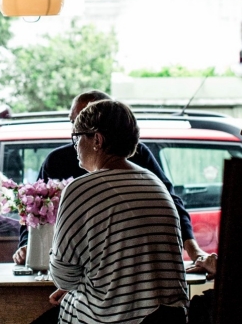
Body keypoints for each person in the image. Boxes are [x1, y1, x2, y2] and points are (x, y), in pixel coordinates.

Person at [14, 90, 207, 265]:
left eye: (80, 124)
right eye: (72, 122)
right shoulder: (57, 161)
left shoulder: (139, 158)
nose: (73, 132)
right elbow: (35, 210)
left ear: (100, 133)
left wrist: (194, 251)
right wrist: (27, 245)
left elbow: (172, 202)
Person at [49, 100, 188, 324]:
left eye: (77, 137)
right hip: (168, 316)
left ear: (97, 139)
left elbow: (63, 276)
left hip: (114, 317)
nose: (74, 145)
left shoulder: (82, 188)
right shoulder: (153, 182)